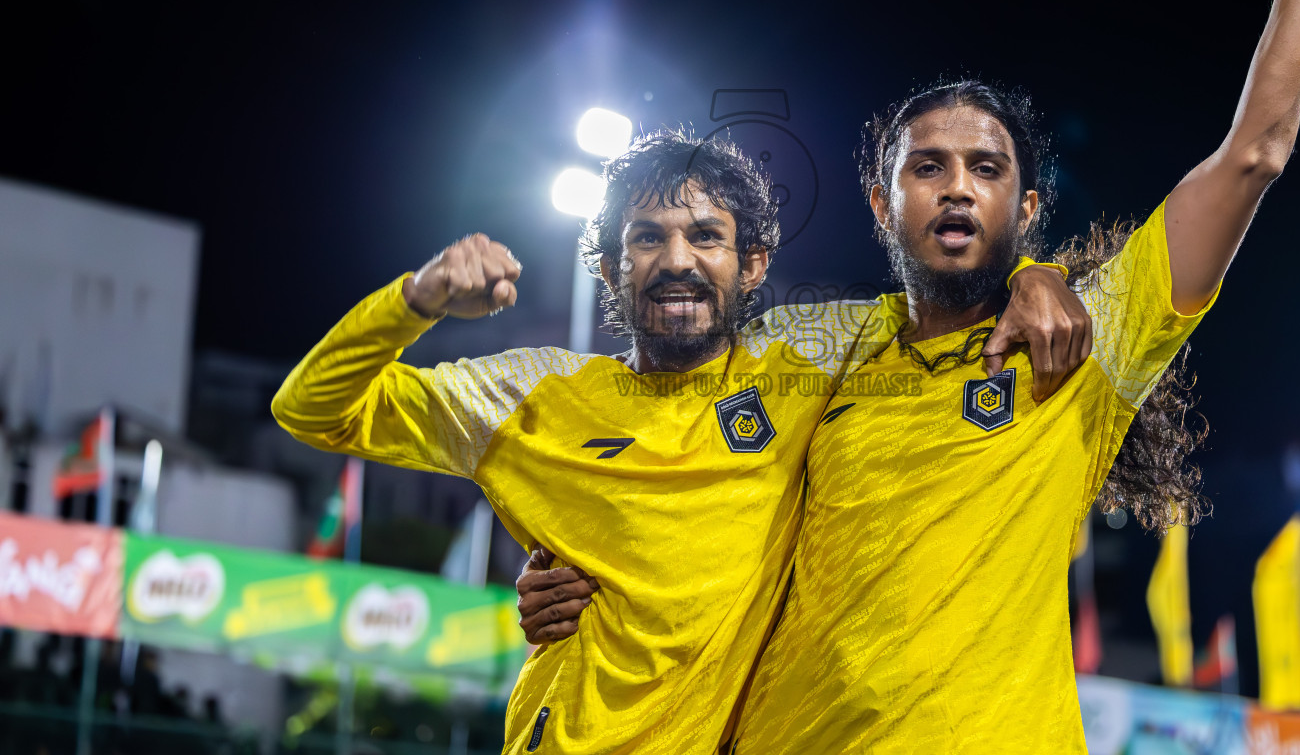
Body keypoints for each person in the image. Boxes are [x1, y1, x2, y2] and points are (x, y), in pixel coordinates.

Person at [521, 0, 1300, 753]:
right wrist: (559, 562)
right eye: (927, 168)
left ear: (1028, 207)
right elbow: (666, 465)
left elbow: (1255, 152)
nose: (956, 189)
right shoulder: (808, 357)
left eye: (985, 169)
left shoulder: (1084, 345)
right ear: (885, 205)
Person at [271, 130, 1085, 754]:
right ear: (610, 267)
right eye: (646, 238)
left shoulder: (806, 362)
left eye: (705, 235)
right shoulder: (532, 397)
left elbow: (943, 296)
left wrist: (1031, 273)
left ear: (754, 263)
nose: (677, 261)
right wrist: (418, 300)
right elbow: (311, 408)